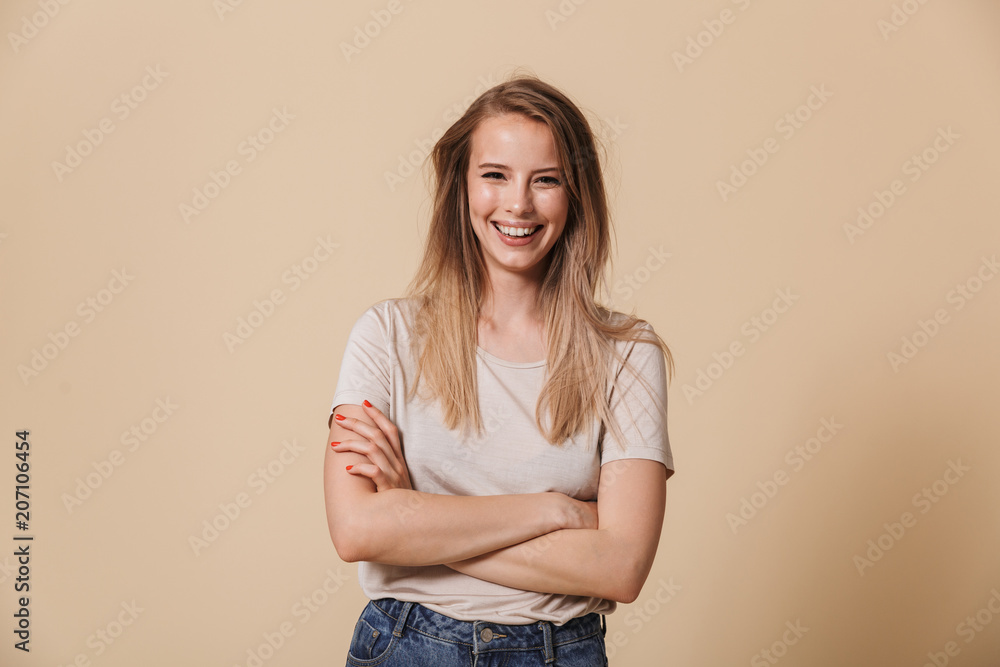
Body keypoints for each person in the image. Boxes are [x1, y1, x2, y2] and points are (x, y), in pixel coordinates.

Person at [323, 74, 675, 666]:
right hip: (407, 645)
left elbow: (621, 567)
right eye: (495, 175)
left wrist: (414, 517)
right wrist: (554, 511)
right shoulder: (387, 335)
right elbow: (357, 532)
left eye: (547, 180)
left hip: (559, 652)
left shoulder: (626, 354)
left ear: (576, 195)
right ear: (461, 187)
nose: (518, 204)